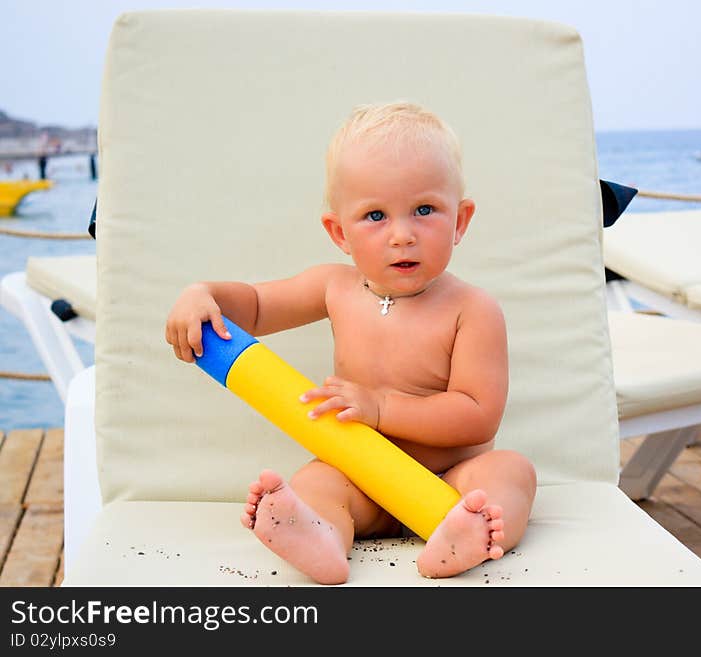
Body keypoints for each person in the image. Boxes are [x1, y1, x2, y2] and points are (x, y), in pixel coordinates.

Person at [165, 102, 536, 585]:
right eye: (375, 216)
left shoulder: (473, 309)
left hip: (451, 482)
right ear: (339, 232)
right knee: (315, 483)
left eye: (425, 210)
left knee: (511, 473)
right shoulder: (333, 288)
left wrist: (381, 407)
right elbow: (254, 306)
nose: (402, 236)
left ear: (460, 221)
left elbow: (477, 413)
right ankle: (319, 537)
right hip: (360, 478)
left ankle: (470, 534)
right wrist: (204, 295)